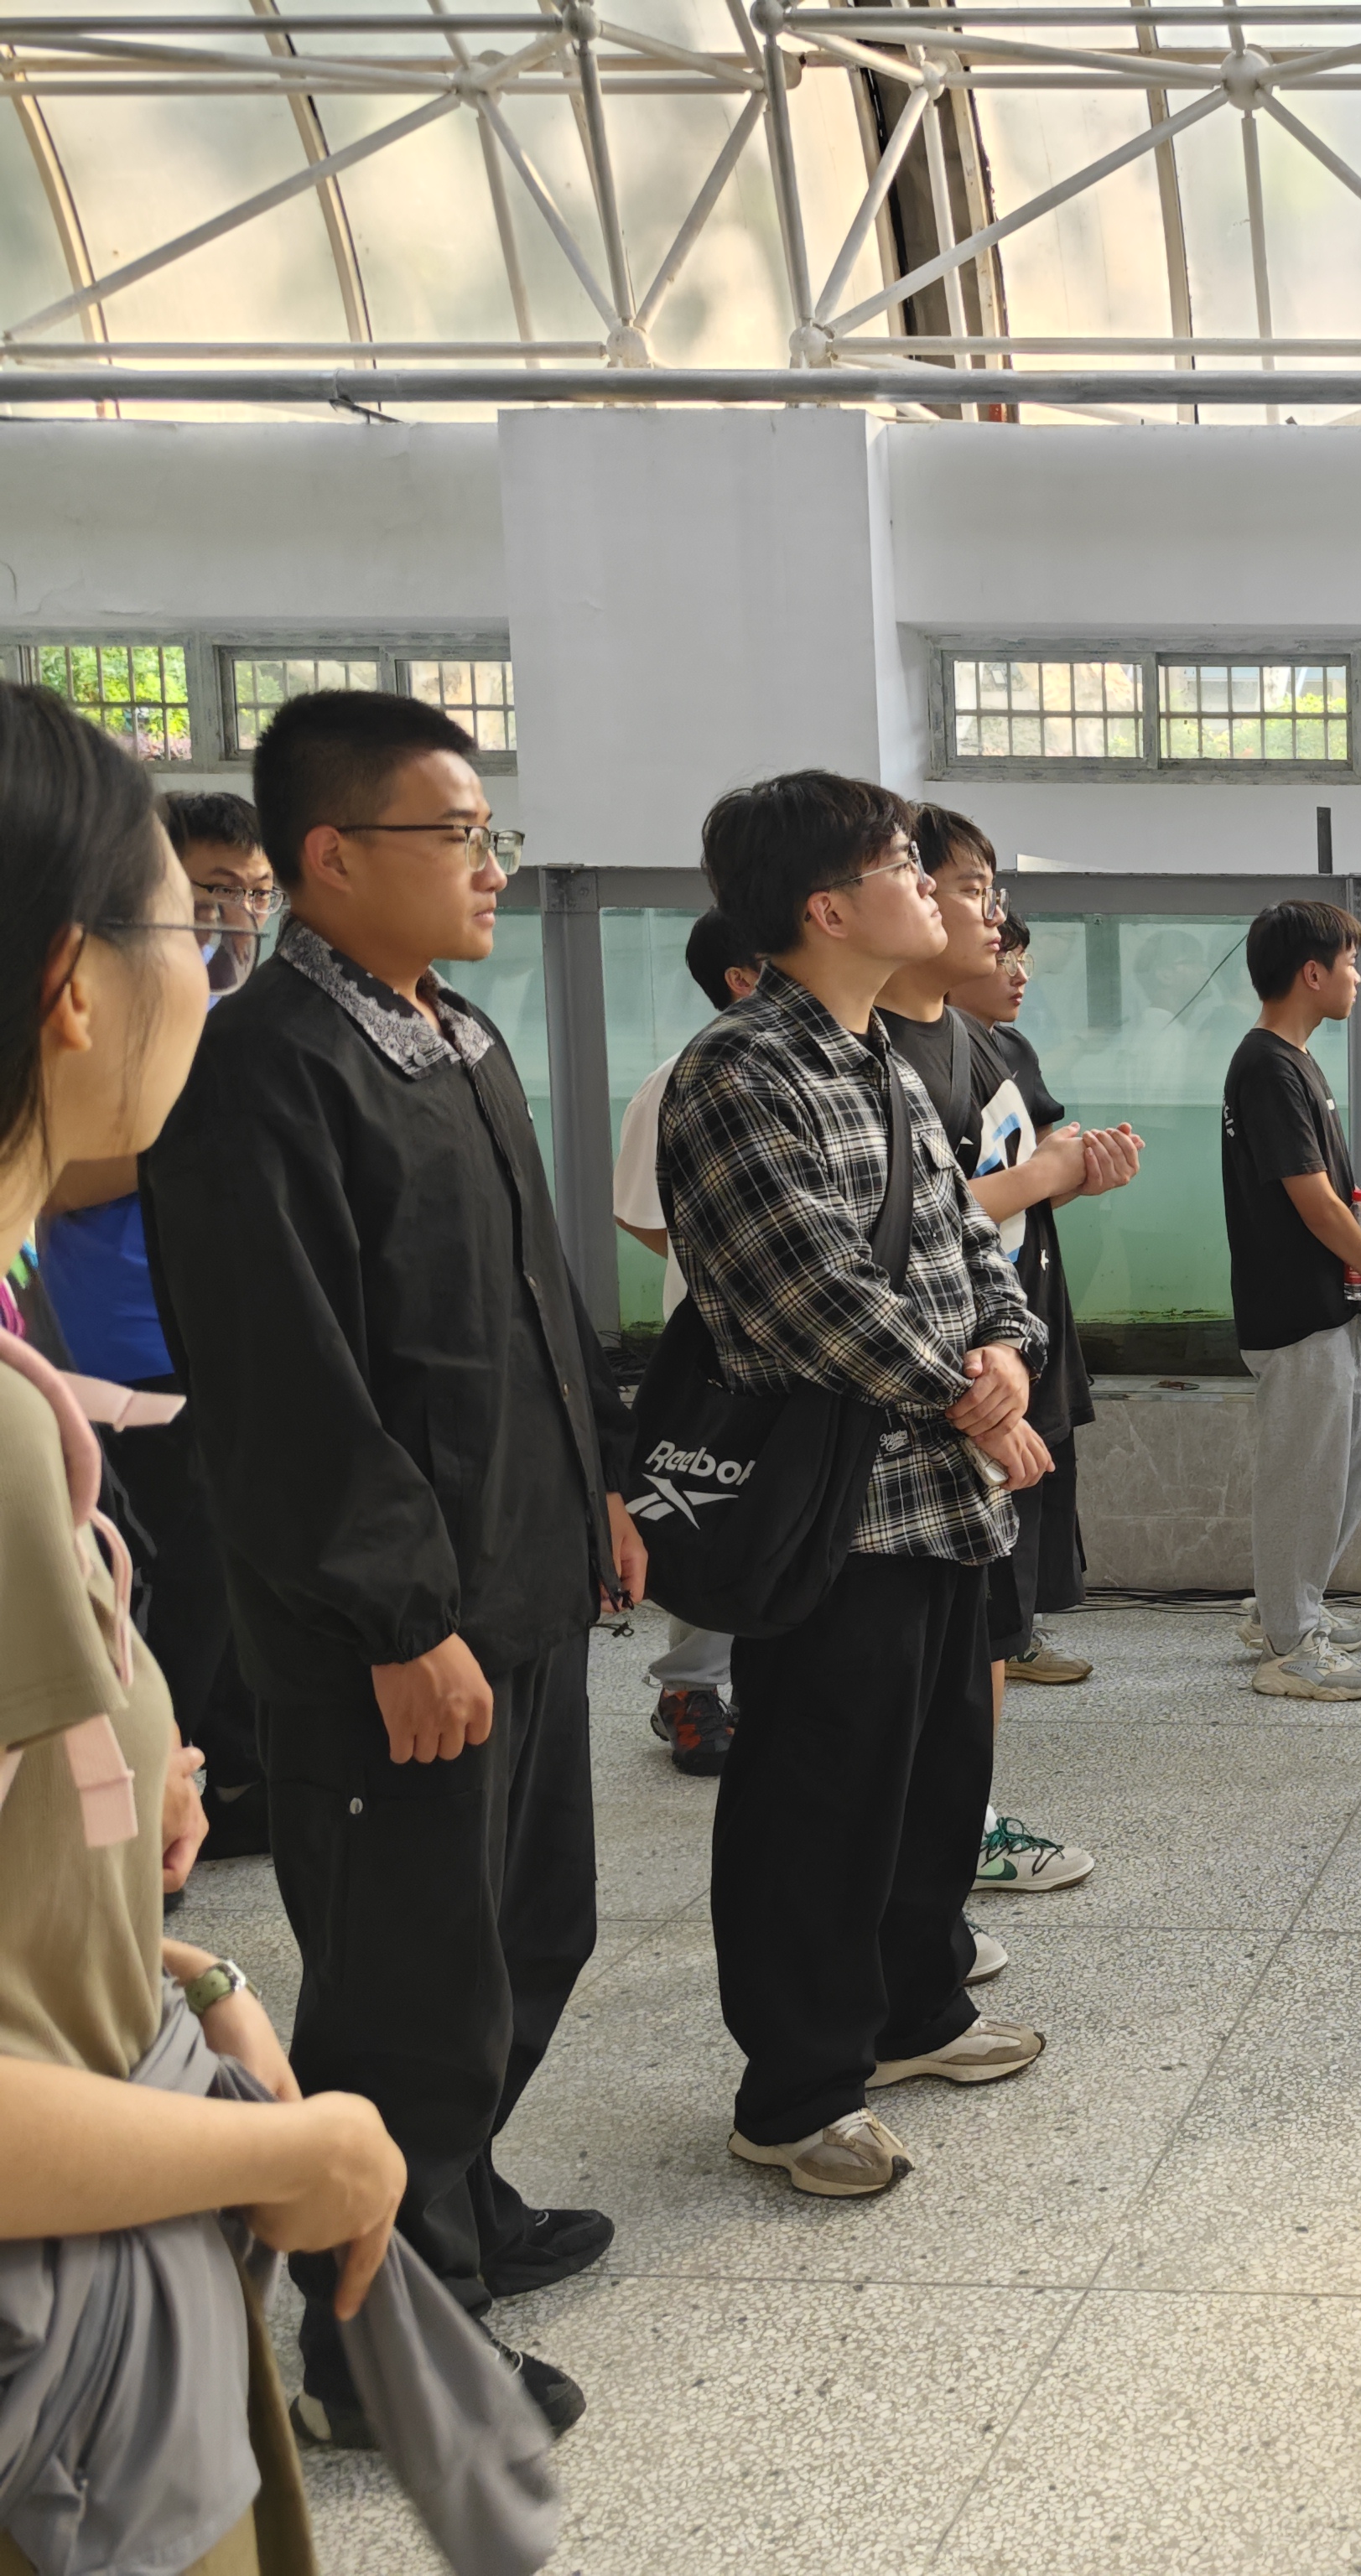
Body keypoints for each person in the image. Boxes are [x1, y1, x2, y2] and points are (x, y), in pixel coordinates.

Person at [138, 688, 634, 2446]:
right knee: (407, 1984)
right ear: (332, 857)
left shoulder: (457, 1036)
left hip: (520, 1584)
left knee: (529, 1932)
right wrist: (398, 1618)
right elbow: (284, 1388)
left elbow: (534, 1301)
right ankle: (375, 2346)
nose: (493, 865)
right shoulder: (260, 1072)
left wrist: (600, 1488)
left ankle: (458, 2196)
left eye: (492, 831)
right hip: (394, 1632)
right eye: (459, 835)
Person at [0, 680, 408, 2575]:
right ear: (70, 986)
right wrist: (286, 2148)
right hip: (57, 2362)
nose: (214, 972)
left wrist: (169, 1965)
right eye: (191, 926)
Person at [664, 771, 1050, 2201]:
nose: (931, 887)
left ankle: (911, 2011)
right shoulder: (740, 1070)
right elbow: (802, 1285)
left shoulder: (879, 1055)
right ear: (828, 908)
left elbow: (965, 1242)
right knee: (818, 1801)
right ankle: (797, 2088)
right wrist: (965, 1390)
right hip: (836, 1509)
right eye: (902, 864)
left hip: (940, 1500)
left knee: (936, 1777)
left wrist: (1004, 1346)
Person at [878, 807, 1130, 1905]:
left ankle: (953, 1831)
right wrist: (1040, 1179)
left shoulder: (982, 1045)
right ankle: (930, 1849)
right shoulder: (850, 1056)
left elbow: (1001, 1201)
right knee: (918, 1651)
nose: (995, 919)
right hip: (927, 1403)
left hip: (1003, 1369)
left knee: (986, 1628)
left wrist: (1074, 1170)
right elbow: (897, 1234)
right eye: (971, 887)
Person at [34, 790, 276, 1853]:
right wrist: (197, 1123)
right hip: (132, 1354)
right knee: (182, 1576)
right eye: (214, 892)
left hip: (232, 1337)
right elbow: (56, 1180)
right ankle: (171, 1787)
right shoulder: (108, 1024)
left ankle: (234, 1774)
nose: (239, 918)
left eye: (257, 895)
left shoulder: (244, 1020)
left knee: (241, 1568)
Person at [1220, 899, 1361, 1701]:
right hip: (1294, 1308)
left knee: (1351, 1462)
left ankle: (1287, 1606)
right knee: (1305, 1476)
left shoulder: (1297, 1061)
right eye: (1351, 964)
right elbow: (1312, 1201)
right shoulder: (1265, 1065)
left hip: (1331, 1302)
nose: (1359, 978)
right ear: (1312, 973)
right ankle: (1291, 1644)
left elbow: (1342, 1189)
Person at [947, 906, 1125, 1687]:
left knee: (1036, 1483)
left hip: (1025, 1307)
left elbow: (1028, 1186)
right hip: (972, 1336)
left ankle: (1015, 1635)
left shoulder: (1008, 1048)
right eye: (1001, 952)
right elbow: (936, 1211)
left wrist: (1079, 1174)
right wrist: (1049, 1173)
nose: (1016, 970)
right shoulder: (916, 1055)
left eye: (1021, 953)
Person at [612, 906, 761, 1776]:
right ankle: (691, 1690)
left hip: (827, 1353)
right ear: (742, 979)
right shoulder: (678, 1079)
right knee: (710, 1509)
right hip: (716, 1351)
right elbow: (640, 1214)